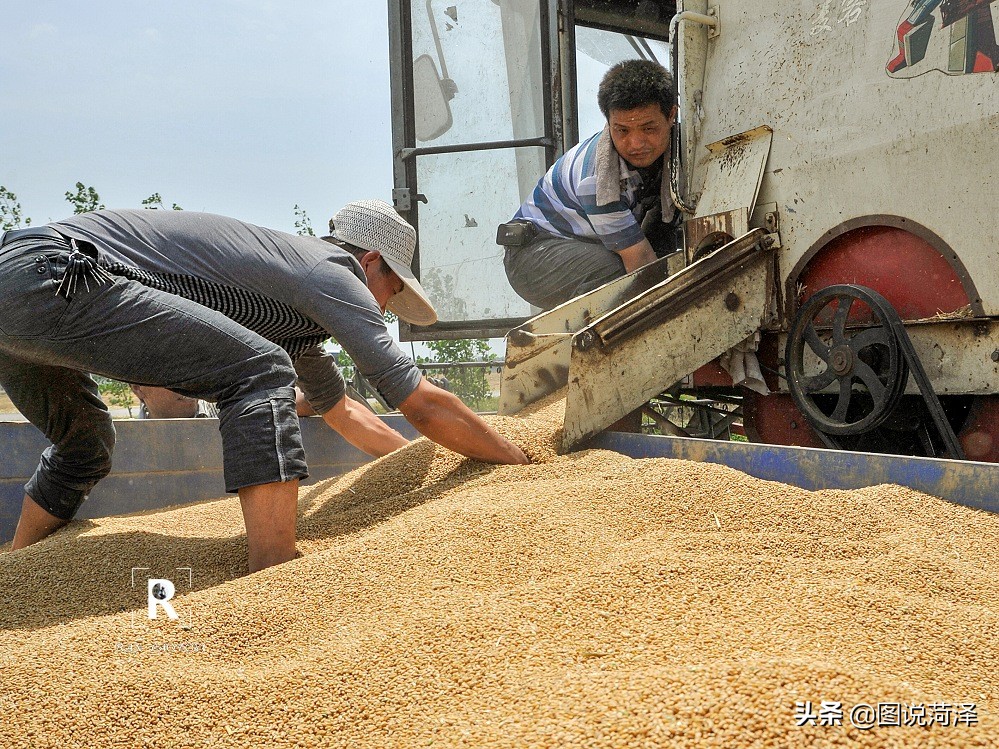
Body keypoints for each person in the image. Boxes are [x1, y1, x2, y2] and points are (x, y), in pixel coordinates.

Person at [0, 200, 528, 572]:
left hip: (18, 286)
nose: (385, 307)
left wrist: (416, 466)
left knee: (84, 443)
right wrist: (520, 461)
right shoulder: (333, 273)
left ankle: (20, 567)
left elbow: (340, 410)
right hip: (58, 272)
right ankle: (274, 565)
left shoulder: (287, 300)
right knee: (260, 371)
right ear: (370, 263)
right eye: (391, 289)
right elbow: (419, 402)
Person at [500, 59, 679, 310]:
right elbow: (641, 262)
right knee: (627, 277)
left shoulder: (682, 150)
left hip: (584, 246)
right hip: (533, 258)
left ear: (672, 115)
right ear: (608, 122)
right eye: (623, 131)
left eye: (648, 128)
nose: (636, 143)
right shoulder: (597, 180)